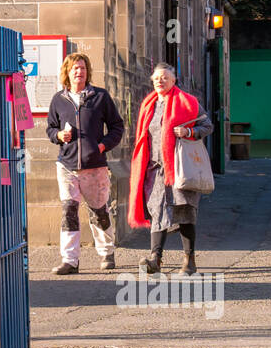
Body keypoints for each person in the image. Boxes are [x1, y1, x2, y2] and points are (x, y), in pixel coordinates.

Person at [128, 63, 214, 276]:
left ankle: (189, 260)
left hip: (179, 168)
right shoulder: (149, 104)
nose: (160, 81)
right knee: (157, 212)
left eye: (165, 77)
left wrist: (188, 131)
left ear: (174, 81)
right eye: (156, 77)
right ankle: (155, 259)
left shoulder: (188, 102)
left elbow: (207, 126)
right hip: (154, 170)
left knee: (184, 212)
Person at [45, 52, 125, 274]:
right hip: (67, 165)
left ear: (87, 72)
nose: (79, 72)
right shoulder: (58, 100)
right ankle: (70, 260)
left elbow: (117, 127)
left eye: (82, 68)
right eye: (74, 68)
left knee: (99, 210)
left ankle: (107, 252)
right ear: (67, 73)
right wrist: (59, 136)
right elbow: (50, 128)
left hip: (95, 165)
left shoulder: (100, 97)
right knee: (68, 210)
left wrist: (102, 146)